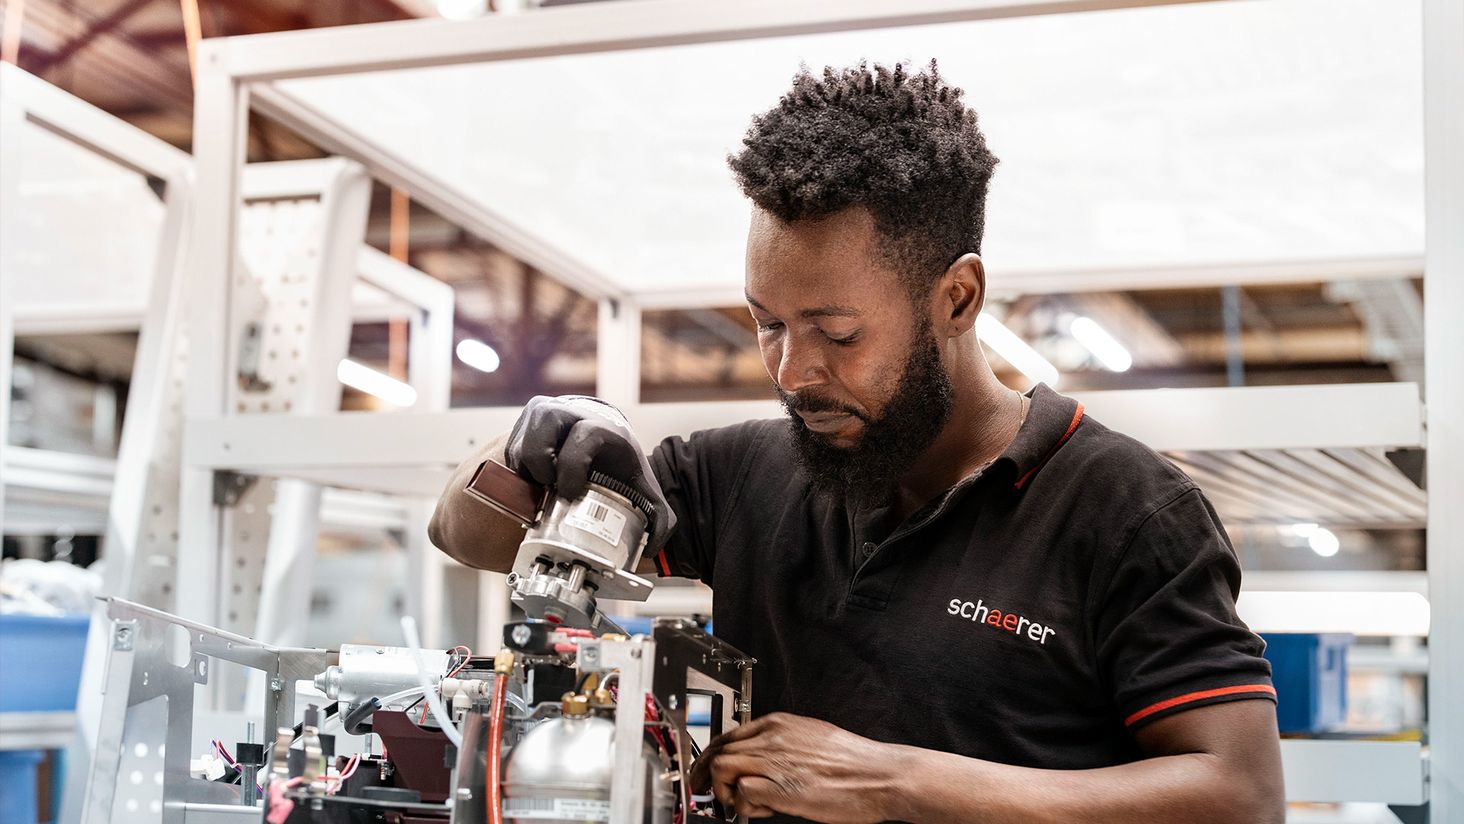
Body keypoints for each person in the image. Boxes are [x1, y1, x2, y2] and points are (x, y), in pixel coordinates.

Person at [430, 61, 1284, 823]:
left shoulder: (1124, 509)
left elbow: (1239, 797)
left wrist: (893, 783)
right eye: (768, 324)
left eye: (837, 333)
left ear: (956, 297)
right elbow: (467, 535)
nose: (793, 372)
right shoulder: (743, 474)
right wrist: (528, 455)